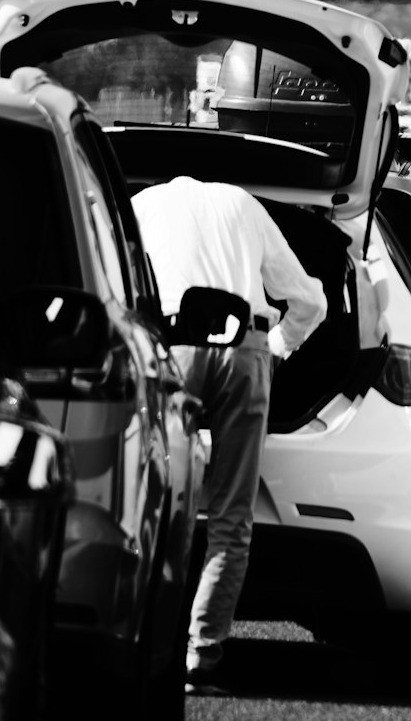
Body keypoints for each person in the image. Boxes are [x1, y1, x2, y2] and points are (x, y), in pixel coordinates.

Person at [133, 174, 327, 695]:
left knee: (151, 503)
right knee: (231, 515)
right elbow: (311, 300)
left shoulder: (141, 205)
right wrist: (281, 347)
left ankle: (144, 639)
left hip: (171, 349)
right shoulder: (244, 204)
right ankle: (202, 654)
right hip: (245, 350)